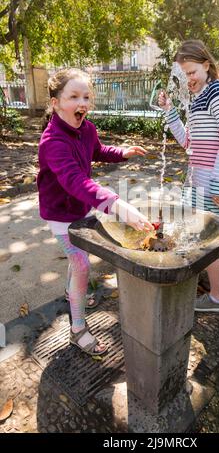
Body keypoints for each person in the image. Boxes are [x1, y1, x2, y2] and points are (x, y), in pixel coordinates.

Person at [37, 68, 153, 355]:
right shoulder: (52, 142)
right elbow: (75, 181)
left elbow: (97, 151)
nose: (82, 103)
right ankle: (77, 330)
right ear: (55, 103)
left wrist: (122, 152)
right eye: (73, 97)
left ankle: (69, 292)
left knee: (79, 260)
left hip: (82, 207)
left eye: (86, 97)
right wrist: (117, 205)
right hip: (60, 214)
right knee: (81, 265)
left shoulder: (86, 128)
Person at [158, 40, 219, 313]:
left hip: (214, 185)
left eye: (192, 72)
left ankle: (216, 299)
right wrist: (170, 112)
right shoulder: (197, 100)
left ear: (206, 66)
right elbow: (188, 143)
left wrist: (216, 183)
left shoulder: (217, 94)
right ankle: (206, 290)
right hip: (197, 183)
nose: (188, 79)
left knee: (210, 243)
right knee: (198, 237)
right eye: (183, 75)